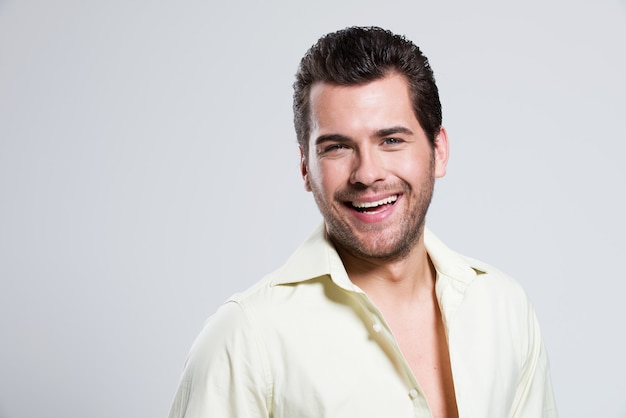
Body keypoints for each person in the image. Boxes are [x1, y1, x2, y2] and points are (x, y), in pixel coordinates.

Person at [168, 26, 558, 417]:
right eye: (337, 147)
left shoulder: (503, 308)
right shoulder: (245, 338)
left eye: (391, 140)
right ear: (306, 168)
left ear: (438, 151)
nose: (367, 174)